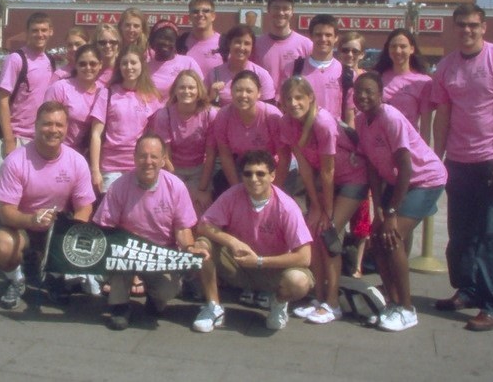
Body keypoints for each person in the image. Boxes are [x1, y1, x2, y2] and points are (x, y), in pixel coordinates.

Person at [431, 4, 493, 332]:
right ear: (454, 28)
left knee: (492, 237)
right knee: (460, 236)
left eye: (473, 25)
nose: (467, 31)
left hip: (492, 162)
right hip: (459, 162)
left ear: (484, 27)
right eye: (461, 25)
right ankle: (468, 289)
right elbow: (443, 116)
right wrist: (437, 158)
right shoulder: (447, 67)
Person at [354, 72, 447, 331]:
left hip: (424, 179)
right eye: (358, 91)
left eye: (369, 91)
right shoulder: (361, 121)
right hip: (395, 183)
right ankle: (392, 302)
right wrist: (378, 208)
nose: (363, 96)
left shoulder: (390, 117)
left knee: (391, 237)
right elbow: (372, 167)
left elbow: (406, 166)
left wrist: (392, 212)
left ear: (381, 94)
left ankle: (407, 308)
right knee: (377, 237)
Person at [277, 77, 368, 325]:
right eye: (288, 99)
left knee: (329, 234)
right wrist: (316, 207)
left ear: (310, 98)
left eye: (299, 98)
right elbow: (305, 167)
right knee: (313, 234)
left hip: (352, 177)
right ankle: (318, 298)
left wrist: (327, 212)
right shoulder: (287, 123)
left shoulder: (323, 122)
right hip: (325, 180)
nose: (294, 103)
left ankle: (333, 302)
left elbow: (328, 171)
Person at [192, 150, 314, 332]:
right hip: (237, 263)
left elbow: (305, 257)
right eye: (248, 174)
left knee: (299, 281)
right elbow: (203, 225)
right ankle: (213, 307)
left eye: (260, 174)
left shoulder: (287, 207)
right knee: (202, 245)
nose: (254, 179)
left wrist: (259, 261)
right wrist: (232, 242)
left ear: (272, 176)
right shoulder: (233, 194)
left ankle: (278, 303)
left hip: (271, 269)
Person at [0, 101, 95, 309]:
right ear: (35, 126)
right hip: (20, 223)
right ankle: (16, 279)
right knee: (3, 245)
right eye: (47, 124)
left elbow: (85, 207)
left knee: (84, 238)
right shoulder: (15, 161)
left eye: (59, 125)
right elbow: (6, 212)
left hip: (56, 226)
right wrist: (31, 220)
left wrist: (70, 234)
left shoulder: (77, 161)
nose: (53, 130)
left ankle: (54, 276)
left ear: (66, 128)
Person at [93, 134, 204, 330]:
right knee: (117, 255)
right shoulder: (119, 186)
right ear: (134, 158)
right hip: (127, 250)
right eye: (143, 156)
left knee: (169, 289)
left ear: (163, 160)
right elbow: (106, 228)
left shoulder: (176, 187)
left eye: (154, 156)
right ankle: (119, 306)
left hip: (160, 254)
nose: (148, 162)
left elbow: (182, 229)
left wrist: (189, 247)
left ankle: (154, 299)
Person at [88, 45, 162, 193]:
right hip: (110, 167)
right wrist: (95, 170)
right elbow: (96, 134)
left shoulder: (151, 97)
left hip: (140, 165)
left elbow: (154, 135)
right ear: (119, 67)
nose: (129, 67)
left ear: (142, 65)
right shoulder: (107, 93)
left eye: (133, 63)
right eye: (124, 63)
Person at [148, 70, 217, 215]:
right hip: (172, 169)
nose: (187, 91)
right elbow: (165, 155)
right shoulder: (164, 115)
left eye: (191, 88)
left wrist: (201, 189)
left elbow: (210, 155)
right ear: (175, 91)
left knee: (200, 206)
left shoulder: (209, 115)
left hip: (200, 171)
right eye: (182, 87)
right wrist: (179, 185)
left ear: (198, 90)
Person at [0, 12, 56, 158]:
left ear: (51, 32)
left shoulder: (50, 60)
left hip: (42, 135)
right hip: (19, 136)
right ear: (27, 33)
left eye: (44, 30)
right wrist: (8, 139)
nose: (40, 34)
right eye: (35, 30)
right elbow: (2, 100)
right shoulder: (16, 59)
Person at [213, 71, 281, 193]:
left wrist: (271, 191)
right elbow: (225, 155)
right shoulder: (223, 116)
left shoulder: (271, 115)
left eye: (249, 91)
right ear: (231, 92)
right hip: (244, 168)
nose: (243, 95)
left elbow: (284, 156)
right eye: (238, 90)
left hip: (275, 167)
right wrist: (236, 189)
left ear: (259, 93)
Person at [252, 0, 312, 104]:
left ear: (292, 12)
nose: (280, 13)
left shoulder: (306, 45)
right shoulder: (256, 44)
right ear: (268, 10)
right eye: (276, 8)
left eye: (285, 8)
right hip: (263, 105)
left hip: (294, 105)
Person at [374, 28, 433, 143]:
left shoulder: (423, 82)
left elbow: (426, 125)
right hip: (379, 143)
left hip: (408, 143)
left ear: (412, 49)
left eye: (403, 46)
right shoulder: (377, 77)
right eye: (393, 46)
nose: (398, 50)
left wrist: (423, 149)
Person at [44, 44, 103, 155]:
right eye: (82, 64)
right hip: (57, 151)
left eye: (93, 64)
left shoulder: (102, 92)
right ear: (75, 65)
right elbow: (45, 122)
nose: (88, 67)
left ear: (100, 65)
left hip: (86, 154)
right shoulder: (60, 88)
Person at [206, 25, 275, 106]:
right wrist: (211, 98)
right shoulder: (215, 74)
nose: (242, 48)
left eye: (247, 44)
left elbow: (268, 109)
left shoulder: (261, 75)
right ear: (229, 44)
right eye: (237, 42)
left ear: (252, 47)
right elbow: (202, 106)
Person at [292, 14, 344, 120]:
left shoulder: (344, 72)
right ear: (310, 36)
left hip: (334, 129)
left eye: (328, 35)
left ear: (336, 38)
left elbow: (349, 112)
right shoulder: (294, 68)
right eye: (318, 35)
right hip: (302, 128)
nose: (323, 39)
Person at [147, 20, 203, 102]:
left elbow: (201, 92)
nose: (166, 43)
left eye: (170, 40)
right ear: (153, 40)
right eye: (161, 38)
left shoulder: (188, 63)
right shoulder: (145, 68)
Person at [179, 0, 224, 76]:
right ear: (189, 17)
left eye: (206, 11)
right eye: (195, 11)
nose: (200, 14)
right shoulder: (181, 43)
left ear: (213, 16)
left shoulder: (224, 43)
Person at [336, 31, 366, 127]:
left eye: (355, 51)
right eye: (345, 50)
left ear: (362, 54)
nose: (350, 54)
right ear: (339, 52)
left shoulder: (368, 80)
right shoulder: (333, 77)